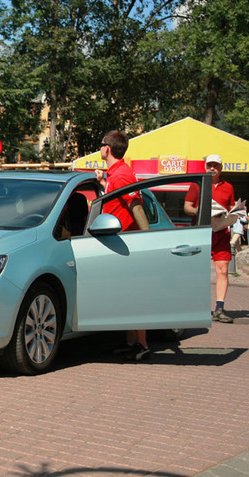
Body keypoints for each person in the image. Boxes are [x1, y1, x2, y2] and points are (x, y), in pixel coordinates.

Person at [95, 130, 151, 361]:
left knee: (134, 295)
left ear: (107, 148)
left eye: (100, 145)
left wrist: (147, 239)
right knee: (127, 295)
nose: (100, 149)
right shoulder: (115, 174)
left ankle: (142, 344)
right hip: (118, 240)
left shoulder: (122, 175)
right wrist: (103, 183)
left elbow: (135, 204)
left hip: (126, 241)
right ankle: (131, 342)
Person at [183, 154, 235, 323]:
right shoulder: (197, 185)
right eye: (209, 165)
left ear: (221, 168)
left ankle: (219, 308)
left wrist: (234, 215)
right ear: (205, 167)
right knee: (196, 271)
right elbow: (187, 208)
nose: (212, 168)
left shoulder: (228, 187)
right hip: (201, 233)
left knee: (223, 270)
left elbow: (232, 207)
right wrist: (202, 211)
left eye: (216, 165)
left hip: (221, 233)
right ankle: (193, 306)